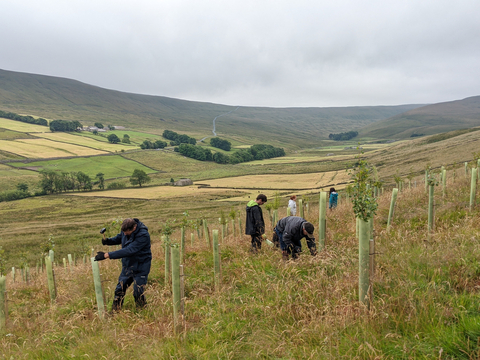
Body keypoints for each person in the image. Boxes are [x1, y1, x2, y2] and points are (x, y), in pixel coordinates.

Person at [95, 218, 152, 311]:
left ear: (134, 227)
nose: (124, 234)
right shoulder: (126, 230)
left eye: (126, 232)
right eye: (123, 232)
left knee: (138, 291)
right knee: (119, 289)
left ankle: (142, 311)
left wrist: (107, 255)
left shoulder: (143, 235)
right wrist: (108, 241)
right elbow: (119, 238)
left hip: (141, 266)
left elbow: (129, 250)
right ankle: (115, 311)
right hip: (128, 265)